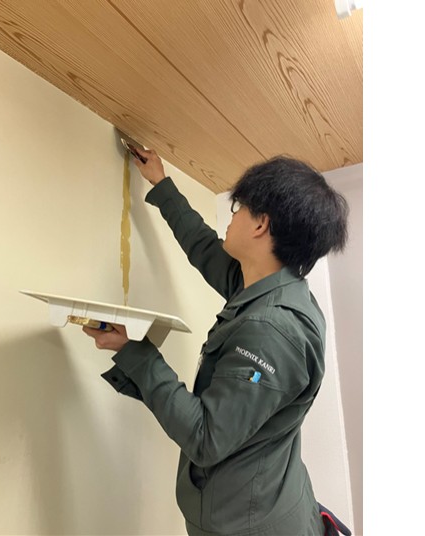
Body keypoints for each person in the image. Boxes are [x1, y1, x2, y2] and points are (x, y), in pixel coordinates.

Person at [83, 148, 350, 536]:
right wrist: (161, 183)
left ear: (261, 224)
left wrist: (134, 352)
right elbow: (204, 247)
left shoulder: (272, 331)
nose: (231, 216)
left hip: (248, 528)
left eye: (238, 208)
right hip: (265, 503)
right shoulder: (268, 286)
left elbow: (206, 437)